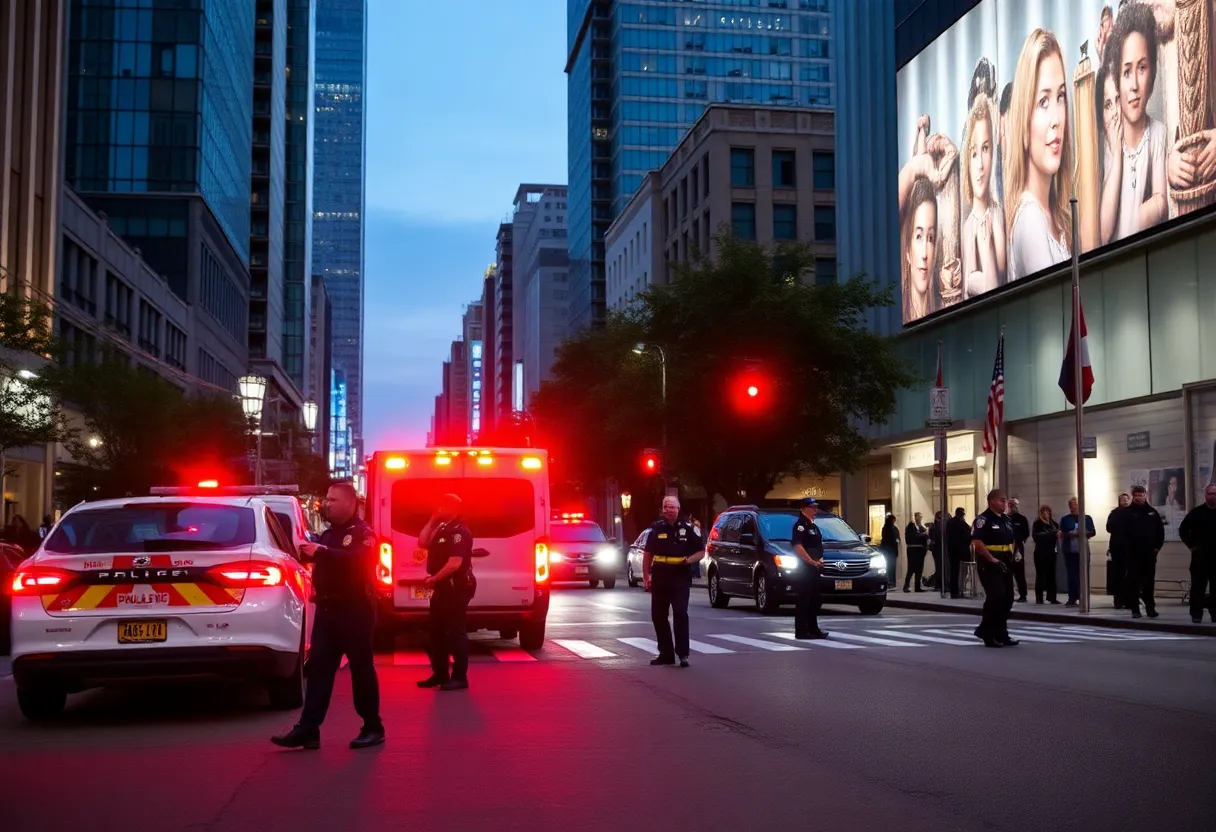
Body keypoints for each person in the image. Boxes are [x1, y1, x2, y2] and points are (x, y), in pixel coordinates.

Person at [272, 482, 384, 750]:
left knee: (361, 669)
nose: (327, 503)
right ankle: (308, 729)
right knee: (319, 670)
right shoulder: (329, 533)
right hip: (327, 610)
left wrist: (321, 553)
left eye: (333, 500)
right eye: (327, 498)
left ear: (350, 503)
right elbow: (328, 560)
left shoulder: (363, 534)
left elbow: (358, 560)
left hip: (354, 610)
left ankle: (372, 726)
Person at [1005, 28, 1074, 281]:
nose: (1056, 119)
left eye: (1061, 97)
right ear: (1024, 118)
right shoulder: (1031, 220)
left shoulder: (1056, 216)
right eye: (1043, 102)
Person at [1099, 3, 1168, 245]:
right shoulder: (1108, 145)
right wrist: (1117, 156)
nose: (1135, 86)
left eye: (1142, 68)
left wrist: (1142, 215)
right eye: (1127, 72)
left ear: (1153, 72)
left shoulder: (1158, 133)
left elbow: (1162, 203)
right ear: (1116, 78)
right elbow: (1104, 234)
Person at [416, 494, 476, 690]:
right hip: (442, 587)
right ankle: (440, 673)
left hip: (455, 586)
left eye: (444, 505)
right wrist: (432, 520)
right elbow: (422, 541)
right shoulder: (442, 527)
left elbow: (454, 563)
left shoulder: (460, 531)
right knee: (437, 631)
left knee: (455, 632)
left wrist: (433, 579)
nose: (440, 508)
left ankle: (460, 677)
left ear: (455, 508)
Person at [642, 496, 704, 667]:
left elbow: (701, 551)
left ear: (678, 509)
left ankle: (683, 654)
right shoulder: (656, 528)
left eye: (672, 507)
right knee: (658, 616)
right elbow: (648, 554)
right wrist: (646, 576)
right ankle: (666, 653)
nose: (669, 509)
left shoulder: (689, 528)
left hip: (680, 576)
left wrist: (690, 560)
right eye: (666, 506)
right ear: (662, 509)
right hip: (661, 575)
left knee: (680, 614)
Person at [961, 96, 1007, 297]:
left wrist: (987, 245)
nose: (979, 164)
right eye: (973, 153)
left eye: (985, 149)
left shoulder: (997, 215)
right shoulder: (967, 227)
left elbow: (997, 285)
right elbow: (969, 291)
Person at [970, 489, 1018, 648]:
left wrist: (1015, 554)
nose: (1005, 503)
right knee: (996, 597)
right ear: (991, 501)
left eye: (1005, 501)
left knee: (1008, 597)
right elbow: (977, 543)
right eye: (1001, 500)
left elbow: (1012, 539)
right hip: (989, 562)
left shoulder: (1006, 520)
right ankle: (989, 634)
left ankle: (1000, 632)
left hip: (1006, 561)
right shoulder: (983, 519)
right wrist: (991, 559)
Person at [1121, 485, 1165, 619]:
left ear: (1145, 495)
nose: (1140, 497)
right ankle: (1135, 609)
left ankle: (1150, 608)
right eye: (1137, 495)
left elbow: (1160, 531)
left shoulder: (1152, 512)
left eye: (1142, 494)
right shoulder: (1127, 513)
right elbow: (1122, 533)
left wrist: (1157, 547)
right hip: (1133, 555)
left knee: (1149, 582)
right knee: (1134, 582)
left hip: (1149, 554)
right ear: (1133, 496)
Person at [790, 498, 829, 640]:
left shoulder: (814, 527)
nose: (815, 510)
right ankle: (801, 631)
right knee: (803, 600)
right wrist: (810, 561)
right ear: (804, 508)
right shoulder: (800, 526)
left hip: (815, 568)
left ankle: (814, 628)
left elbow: (818, 547)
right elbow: (797, 546)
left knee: (815, 600)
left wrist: (820, 560)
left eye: (816, 507)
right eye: (813, 507)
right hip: (804, 569)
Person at [1178, 483, 1216, 624]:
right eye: (1211, 494)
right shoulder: (1197, 513)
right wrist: (1192, 546)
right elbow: (1183, 530)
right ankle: (1196, 614)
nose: (1214, 496)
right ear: (1206, 496)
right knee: (1198, 586)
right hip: (1201, 556)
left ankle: (1214, 613)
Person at [1058, 497, 1096, 607]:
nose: (1073, 507)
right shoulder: (1065, 519)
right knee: (1071, 575)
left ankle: (1083, 597)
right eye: (1071, 505)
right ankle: (1072, 598)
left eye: (1075, 504)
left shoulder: (1086, 518)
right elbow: (1062, 532)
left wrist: (1082, 532)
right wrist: (1070, 533)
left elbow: (1092, 532)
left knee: (1083, 575)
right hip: (1070, 550)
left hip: (1083, 550)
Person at [1106, 492, 1132, 609]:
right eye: (1123, 499)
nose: (1125, 501)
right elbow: (1109, 528)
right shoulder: (1114, 514)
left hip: (1131, 548)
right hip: (1117, 548)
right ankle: (1118, 600)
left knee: (1130, 575)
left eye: (1127, 499)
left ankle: (1129, 599)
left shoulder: (1133, 513)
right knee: (1118, 575)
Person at [1032, 505, 1060, 604]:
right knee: (1041, 575)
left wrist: (1054, 534)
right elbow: (1036, 537)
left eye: (1048, 512)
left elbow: (1058, 534)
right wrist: (1052, 534)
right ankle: (1039, 597)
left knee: (1051, 575)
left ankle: (1052, 597)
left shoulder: (1054, 524)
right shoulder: (1037, 523)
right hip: (1040, 552)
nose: (1046, 514)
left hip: (1051, 552)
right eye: (1044, 512)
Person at [1008, 498, 1031, 602]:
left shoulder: (1022, 519)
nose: (1013, 507)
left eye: (1015, 505)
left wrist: (1019, 541)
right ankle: (1009, 594)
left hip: (1018, 548)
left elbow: (1026, 533)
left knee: (1019, 573)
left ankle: (1023, 595)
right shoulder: (1006, 518)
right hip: (1007, 549)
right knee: (1007, 573)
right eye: (1011, 505)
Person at [946, 507, 972, 598]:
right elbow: (968, 537)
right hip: (962, 551)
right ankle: (960, 589)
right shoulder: (962, 524)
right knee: (962, 571)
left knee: (954, 571)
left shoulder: (950, 522)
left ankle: (954, 591)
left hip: (952, 550)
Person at [903, 512, 929, 592]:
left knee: (919, 569)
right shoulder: (910, 527)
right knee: (911, 568)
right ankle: (906, 586)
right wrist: (924, 534)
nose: (920, 518)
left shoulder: (921, 527)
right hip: (913, 550)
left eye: (921, 517)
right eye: (919, 516)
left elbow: (925, 535)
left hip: (920, 550)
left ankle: (917, 587)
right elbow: (912, 537)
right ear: (915, 517)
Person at [880, 514, 900, 587]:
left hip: (891, 549)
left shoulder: (892, 528)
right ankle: (889, 581)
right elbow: (891, 538)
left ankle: (891, 582)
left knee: (891, 566)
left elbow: (897, 538)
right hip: (889, 549)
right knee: (889, 566)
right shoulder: (888, 528)